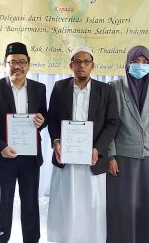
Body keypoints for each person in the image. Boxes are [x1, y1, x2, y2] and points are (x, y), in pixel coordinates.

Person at [47, 45, 120, 243]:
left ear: (92, 66)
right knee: (66, 205)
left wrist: (98, 148)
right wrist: (56, 141)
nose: (82, 65)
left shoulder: (106, 90)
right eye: (77, 61)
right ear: (71, 65)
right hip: (66, 159)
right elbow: (52, 118)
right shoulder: (59, 87)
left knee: (91, 206)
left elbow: (113, 122)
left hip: (92, 160)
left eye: (86, 62)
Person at [0, 42, 48, 243]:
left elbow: (44, 116)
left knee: (30, 204)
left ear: (28, 64)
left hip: (29, 157)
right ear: (5, 64)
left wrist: (42, 121)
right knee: (4, 204)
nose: (17, 66)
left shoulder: (39, 88)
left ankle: (31, 240)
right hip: (4, 156)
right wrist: (0, 147)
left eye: (22, 62)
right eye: (12, 62)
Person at [107, 45, 149, 243]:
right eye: (136, 61)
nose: (140, 66)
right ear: (127, 63)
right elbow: (109, 125)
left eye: (145, 62)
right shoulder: (114, 88)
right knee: (123, 207)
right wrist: (111, 155)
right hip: (123, 158)